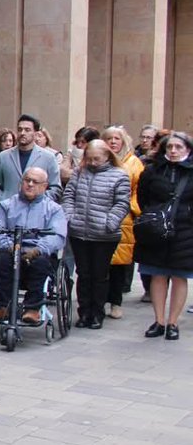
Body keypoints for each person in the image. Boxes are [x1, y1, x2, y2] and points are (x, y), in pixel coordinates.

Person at [62, 140, 130, 329]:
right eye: (89, 158)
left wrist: (109, 222)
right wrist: (70, 217)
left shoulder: (119, 176)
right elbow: (68, 197)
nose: (92, 162)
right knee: (83, 274)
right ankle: (84, 312)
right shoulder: (79, 173)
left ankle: (97, 313)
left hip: (104, 235)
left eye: (96, 159)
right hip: (79, 232)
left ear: (107, 156)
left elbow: (122, 204)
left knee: (99, 275)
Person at [0, 168, 68, 325]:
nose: (30, 184)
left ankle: (33, 308)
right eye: (27, 180)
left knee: (41, 264)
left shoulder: (54, 209)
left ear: (45, 186)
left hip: (38, 253)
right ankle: (2, 306)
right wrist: (10, 247)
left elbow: (57, 236)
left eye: (35, 182)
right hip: (12, 251)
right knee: (2, 261)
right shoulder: (6, 205)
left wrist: (37, 250)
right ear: (21, 182)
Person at [135, 132, 193, 340]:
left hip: (185, 231)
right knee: (157, 274)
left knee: (179, 276)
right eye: (170, 147)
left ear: (188, 149)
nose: (174, 151)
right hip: (156, 231)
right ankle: (159, 320)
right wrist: (155, 218)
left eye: (179, 147)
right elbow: (143, 198)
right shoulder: (152, 171)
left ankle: (173, 322)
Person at [104, 126, 145, 320]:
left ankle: (116, 301)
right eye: (109, 138)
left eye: (116, 139)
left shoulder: (134, 163)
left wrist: (131, 207)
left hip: (124, 218)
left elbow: (140, 190)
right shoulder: (98, 159)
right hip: (99, 215)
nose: (113, 142)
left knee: (119, 263)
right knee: (100, 262)